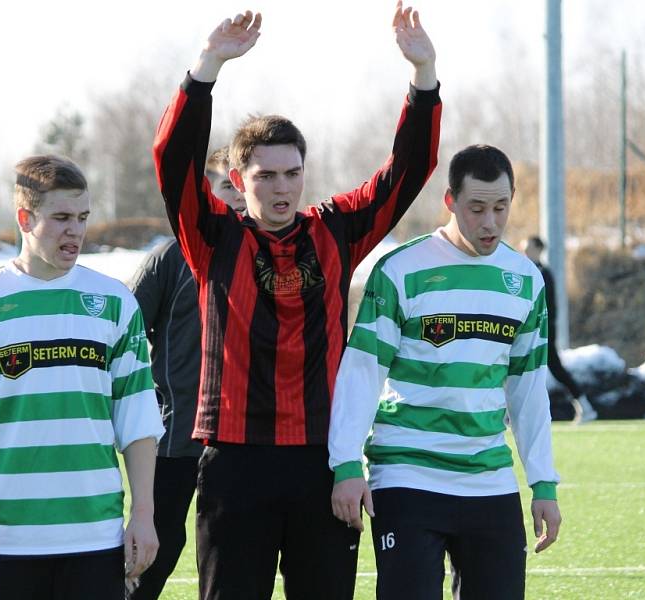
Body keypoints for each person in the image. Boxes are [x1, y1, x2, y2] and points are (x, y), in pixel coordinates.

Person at [152, 3, 441, 598]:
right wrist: (204, 69)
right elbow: (172, 161)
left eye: (292, 173)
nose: (281, 188)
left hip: (322, 460)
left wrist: (423, 77)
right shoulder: (213, 237)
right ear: (236, 178)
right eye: (266, 176)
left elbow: (406, 172)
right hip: (235, 461)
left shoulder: (335, 230)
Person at [0, 155, 165, 599]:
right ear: (24, 218)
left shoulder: (114, 302)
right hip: (4, 540)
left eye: (83, 217)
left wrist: (144, 514)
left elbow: (138, 419)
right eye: (61, 218)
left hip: (95, 536)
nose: (76, 230)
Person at [329, 145, 562, 600]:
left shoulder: (526, 280)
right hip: (407, 474)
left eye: (500, 207)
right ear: (450, 201)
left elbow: (529, 390)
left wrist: (543, 482)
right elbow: (362, 370)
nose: (490, 222)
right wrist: (345, 463)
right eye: (477, 208)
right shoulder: (400, 270)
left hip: (489, 478)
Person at [128, 147, 245, 599]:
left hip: (238, 443)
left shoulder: (272, 256)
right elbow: (125, 336)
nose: (236, 197)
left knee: (224, 552)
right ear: (206, 194)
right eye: (225, 186)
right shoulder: (169, 260)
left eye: (241, 186)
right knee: (159, 544)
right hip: (173, 439)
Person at [522, 235, 597, 423]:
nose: (525, 251)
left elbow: (548, 307)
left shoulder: (543, 273)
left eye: (529, 247)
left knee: (554, 369)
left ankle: (584, 405)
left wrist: (543, 329)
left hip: (542, 330)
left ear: (539, 250)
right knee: (522, 369)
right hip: (528, 331)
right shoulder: (525, 271)